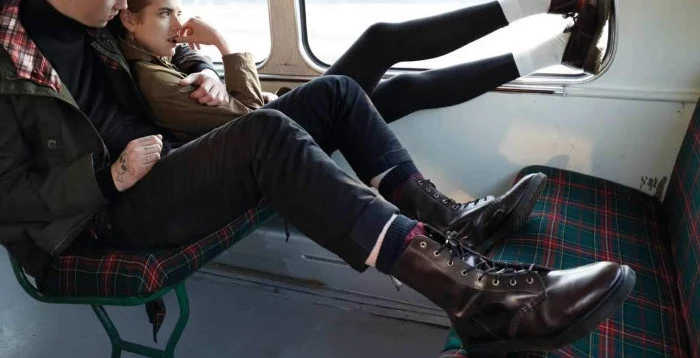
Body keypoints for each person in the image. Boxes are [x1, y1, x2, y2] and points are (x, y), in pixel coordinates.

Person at [0, 0, 635, 356]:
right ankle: (476, 298)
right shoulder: (10, 56)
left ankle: (453, 223)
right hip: (101, 214)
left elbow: (168, 46)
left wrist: (206, 64)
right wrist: (106, 177)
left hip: (163, 166)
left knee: (333, 91)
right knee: (268, 135)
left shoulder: (103, 23)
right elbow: (7, 199)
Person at [110, 0, 609, 141]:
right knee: (380, 40)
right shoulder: (156, 82)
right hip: (272, 138)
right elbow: (250, 120)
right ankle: (538, 4)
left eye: (176, 11)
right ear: (128, 22)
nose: (179, 24)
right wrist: (224, 45)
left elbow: (240, 106)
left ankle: (562, 52)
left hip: (275, 125)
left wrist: (208, 62)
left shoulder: (165, 57)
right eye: (163, 15)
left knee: (405, 88)